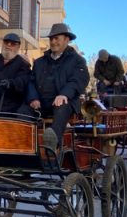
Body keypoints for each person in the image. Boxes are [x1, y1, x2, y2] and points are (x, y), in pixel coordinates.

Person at [16, 23, 90, 153]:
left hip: (63, 101)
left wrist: (64, 94)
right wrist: (33, 99)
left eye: (57, 38)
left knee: (62, 106)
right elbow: (31, 82)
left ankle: (52, 142)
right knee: (22, 111)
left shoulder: (78, 60)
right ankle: (23, 146)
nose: (53, 42)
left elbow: (78, 80)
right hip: (41, 102)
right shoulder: (39, 62)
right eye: (51, 39)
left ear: (67, 40)